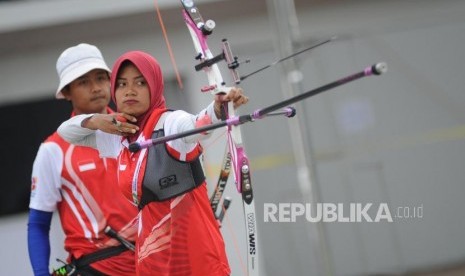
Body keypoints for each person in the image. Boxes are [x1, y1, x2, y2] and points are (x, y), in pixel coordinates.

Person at [57, 50, 249, 275]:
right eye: (121, 84)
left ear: (154, 86)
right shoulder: (118, 137)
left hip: (196, 259)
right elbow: (66, 132)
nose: (129, 90)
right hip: (153, 262)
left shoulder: (169, 123)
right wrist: (96, 120)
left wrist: (220, 108)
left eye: (140, 82)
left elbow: (198, 123)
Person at [28, 43, 138, 276]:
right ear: (66, 93)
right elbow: (38, 223)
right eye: (83, 82)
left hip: (151, 262)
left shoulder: (138, 129)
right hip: (95, 267)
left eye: (100, 78)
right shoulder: (53, 149)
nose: (96, 88)